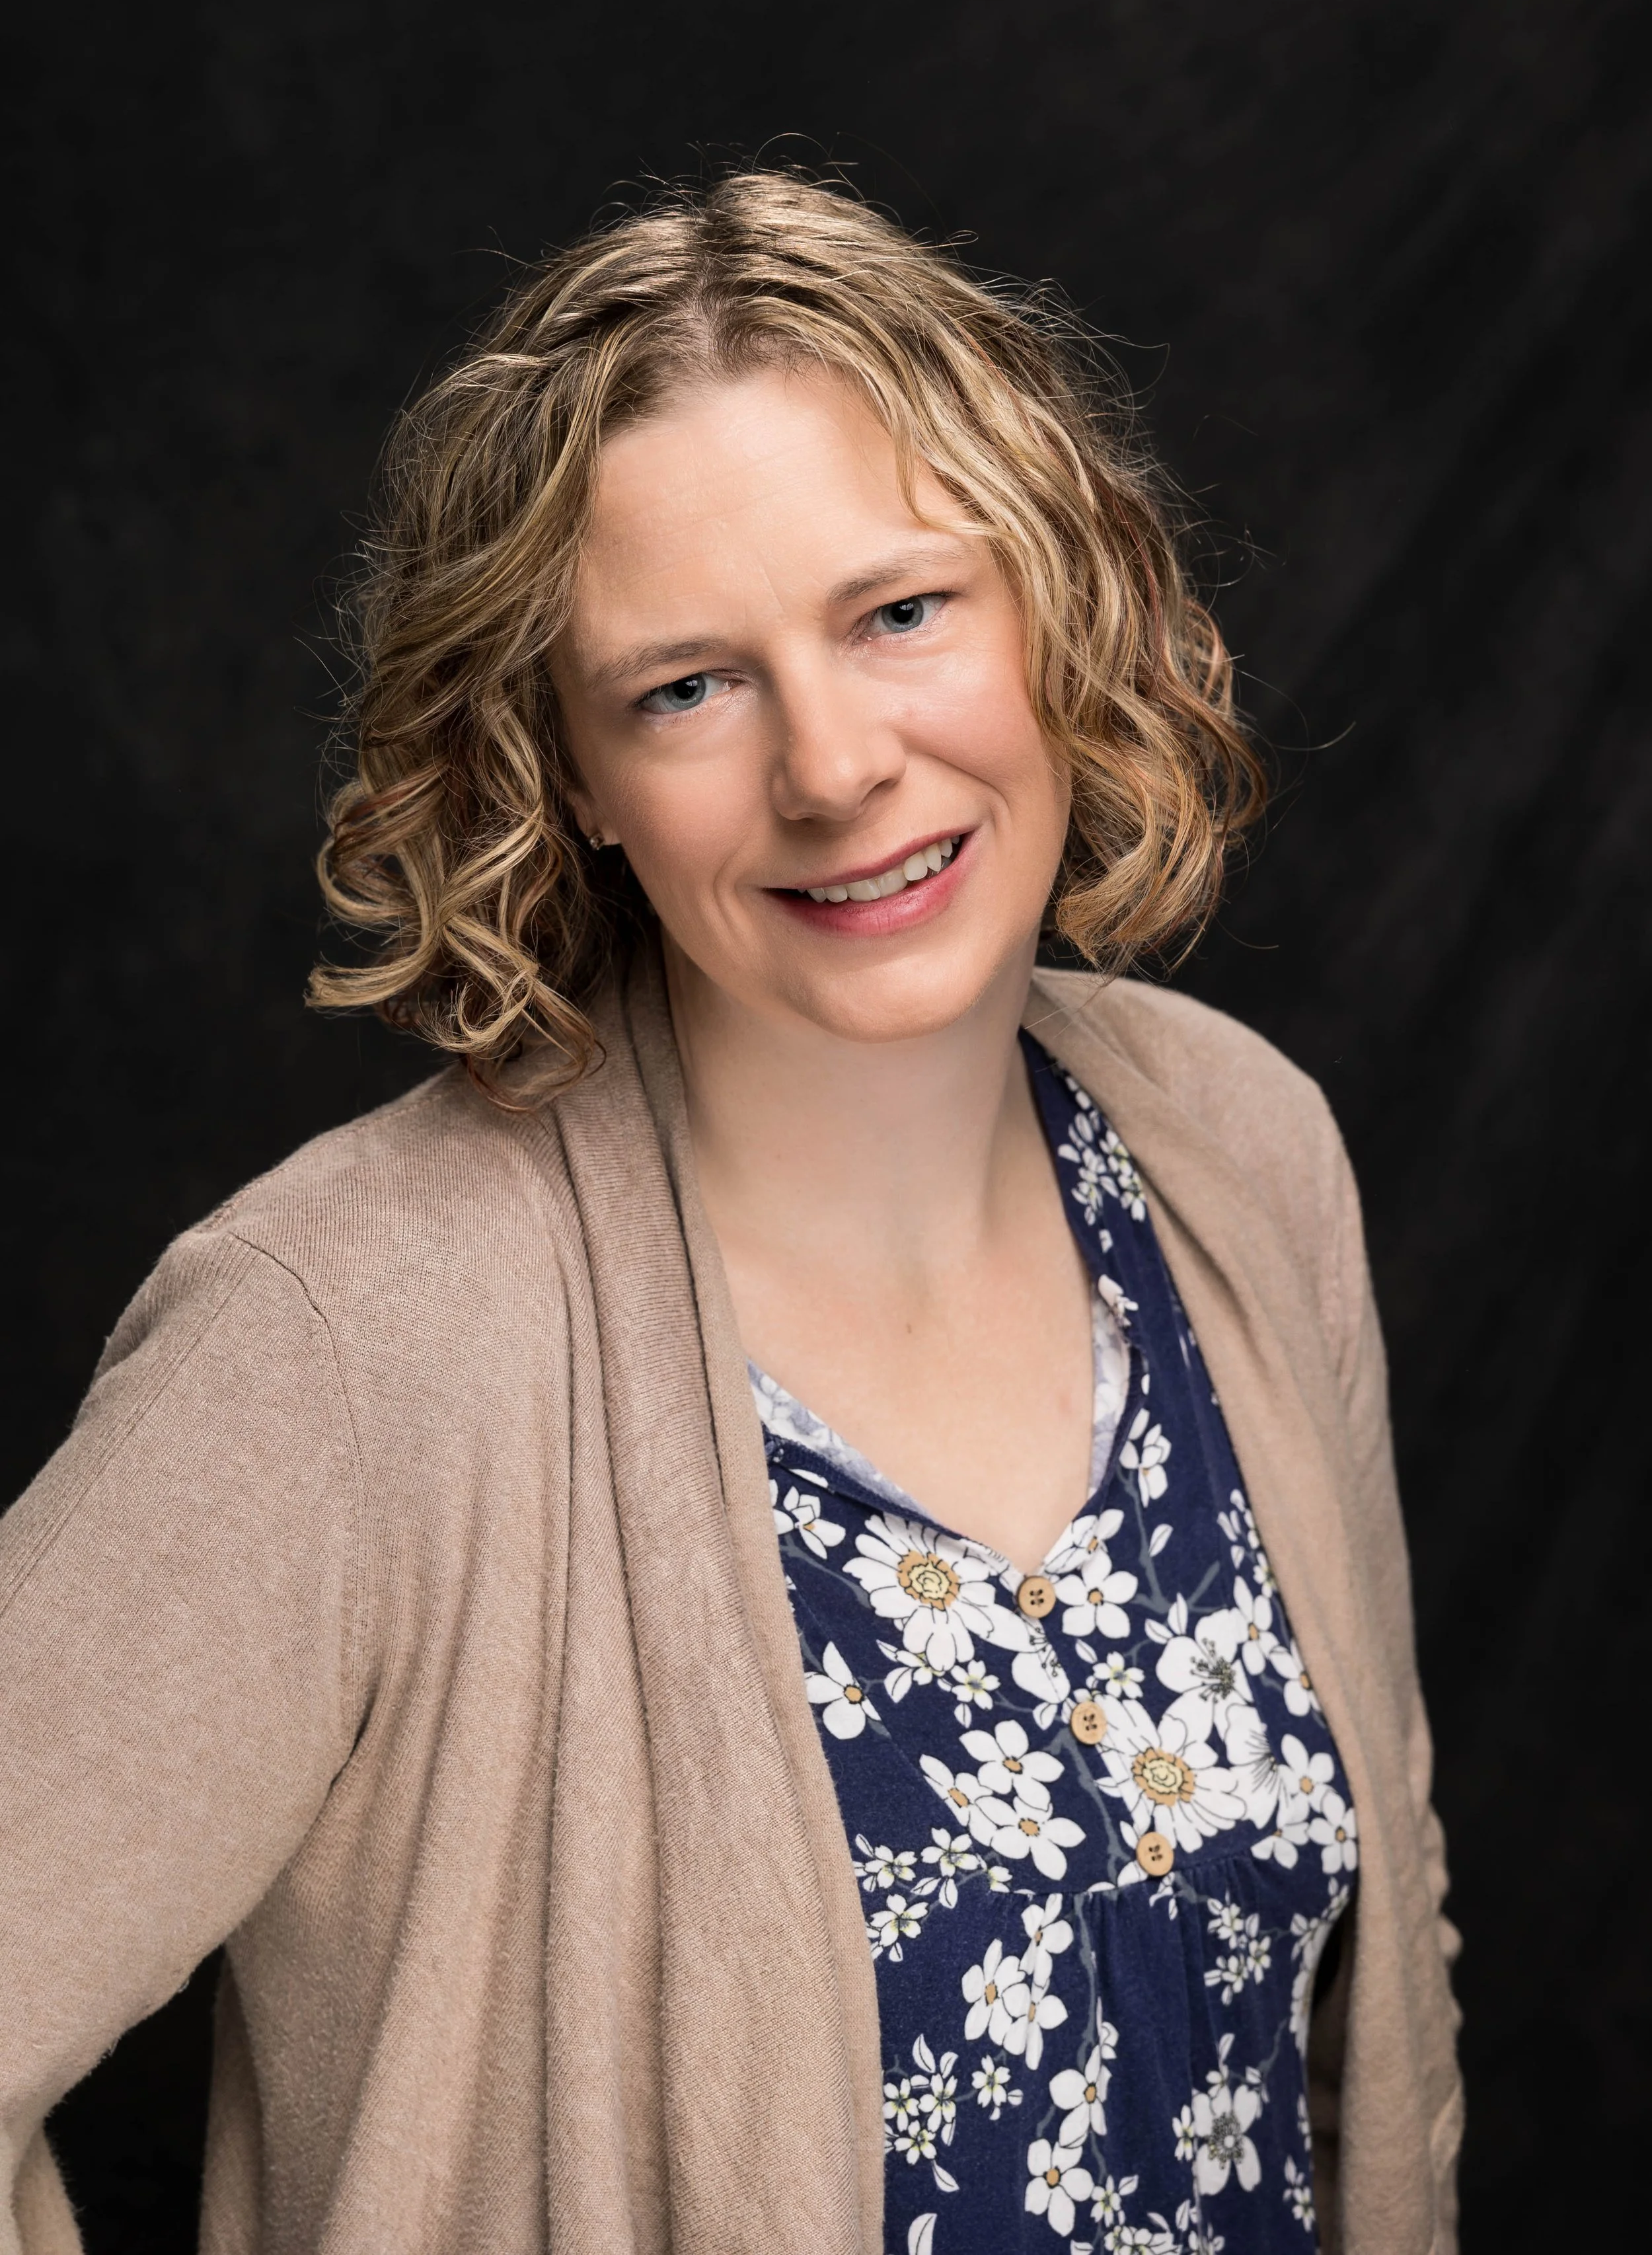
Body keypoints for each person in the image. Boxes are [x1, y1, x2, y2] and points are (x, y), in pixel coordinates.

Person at [0, 173, 1461, 2255]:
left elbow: (1371, 1959)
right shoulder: (343, 1342)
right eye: (687, 685)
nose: (835, 764)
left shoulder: (1241, 1154)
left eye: (898, 612)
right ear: (569, 768)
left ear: (1048, 597)